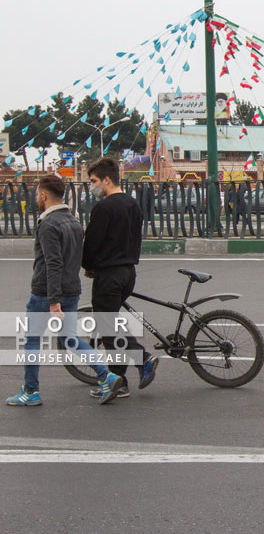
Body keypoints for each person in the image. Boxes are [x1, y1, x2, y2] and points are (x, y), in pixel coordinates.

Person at [6, 175, 123, 406]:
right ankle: (106, 375)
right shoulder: (73, 221)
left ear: (43, 195)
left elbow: (53, 263)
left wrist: (53, 300)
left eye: (37, 194)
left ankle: (31, 392)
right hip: (72, 289)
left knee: (31, 340)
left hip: (45, 293)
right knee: (70, 339)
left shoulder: (48, 224)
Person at [82, 157, 159, 398]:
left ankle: (143, 359)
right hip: (128, 272)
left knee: (107, 329)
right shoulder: (133, 205)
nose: (91, 185)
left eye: (93, 181)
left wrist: (88, 265)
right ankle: (120, 382)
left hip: (108, 275)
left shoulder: (104, 208)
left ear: (106, 179)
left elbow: (92, 243)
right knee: (112, 326)